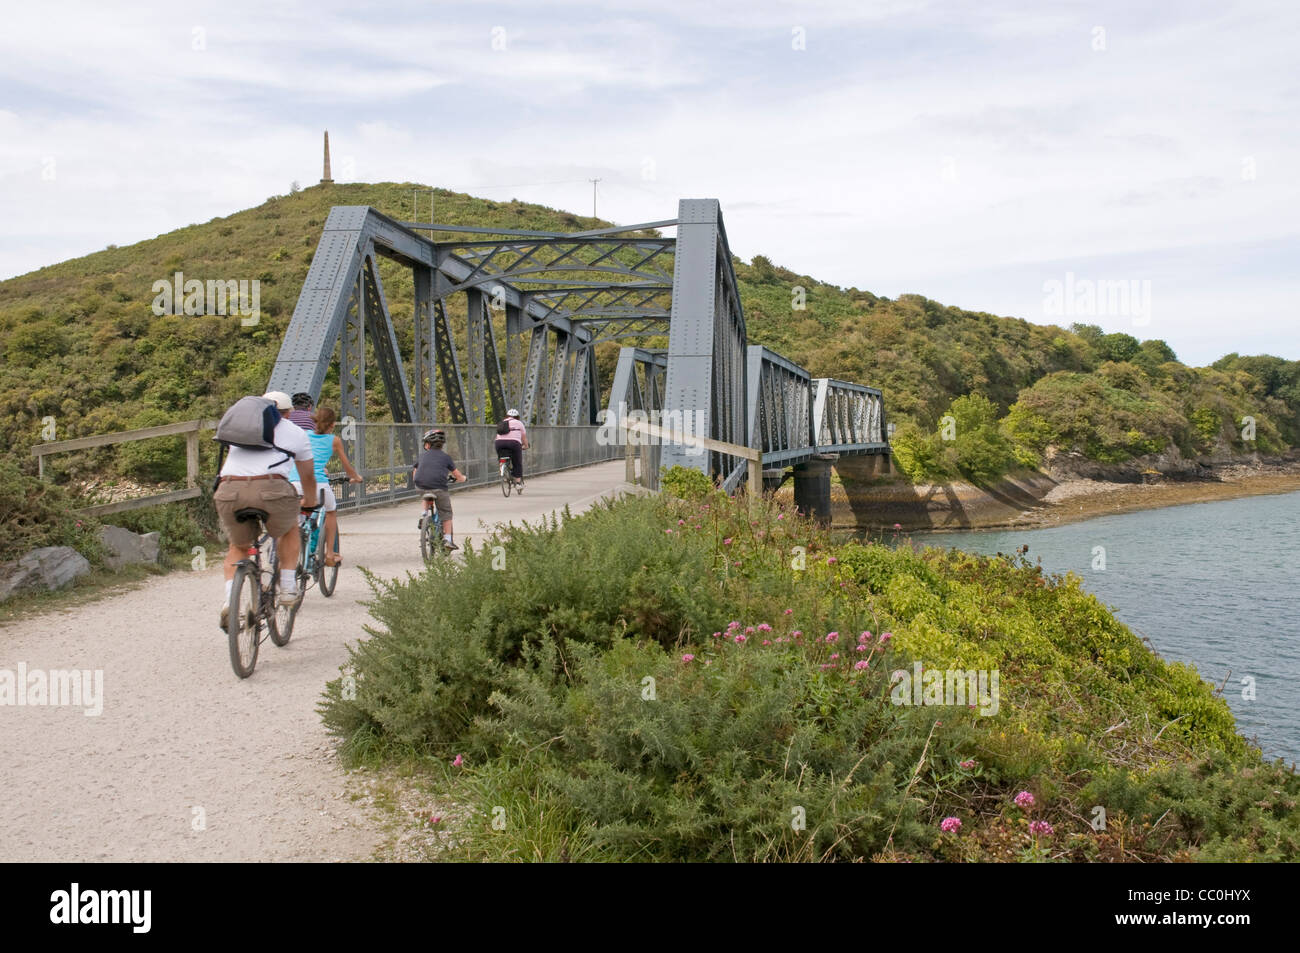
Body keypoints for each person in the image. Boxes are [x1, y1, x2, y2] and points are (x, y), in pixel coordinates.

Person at [214, 391, 315, 629]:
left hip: (229, 489)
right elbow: (307, 475)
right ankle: (289, 588)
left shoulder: (240, 428)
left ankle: (230, 602)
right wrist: (309, 501)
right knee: (289, 529)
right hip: (271, 488)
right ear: (289, 412)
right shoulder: (295, 432)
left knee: (237, 547)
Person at [290, 406, 362, 566]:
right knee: (331, 512)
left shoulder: (304, 435)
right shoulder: (334, 440)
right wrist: (356, 477)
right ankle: (329, 554)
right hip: (317, 484)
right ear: (332, 424)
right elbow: (347, 466)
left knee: (296, 517)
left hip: (294, 481)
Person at [411, 429, 467, 550]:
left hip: (420, 486)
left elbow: (415, 474)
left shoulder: (421, 456)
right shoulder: (446, 457)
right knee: (446, 512)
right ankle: (447, 539)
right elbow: (457, 475)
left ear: (427, 445)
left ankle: (424, 515)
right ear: (442, 444)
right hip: (439, 488)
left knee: (426, 491)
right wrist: (463, 478)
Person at [494, 407, 529, 487]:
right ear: (517, 417)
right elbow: (523, 437)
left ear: (507, 416)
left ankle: (503, 471)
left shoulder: (502, 422)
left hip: (499, 443)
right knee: (517, 462)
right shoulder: (519, 423)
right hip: (514, 443)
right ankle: (518, 482)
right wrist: (526, 446)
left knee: (502, 458)